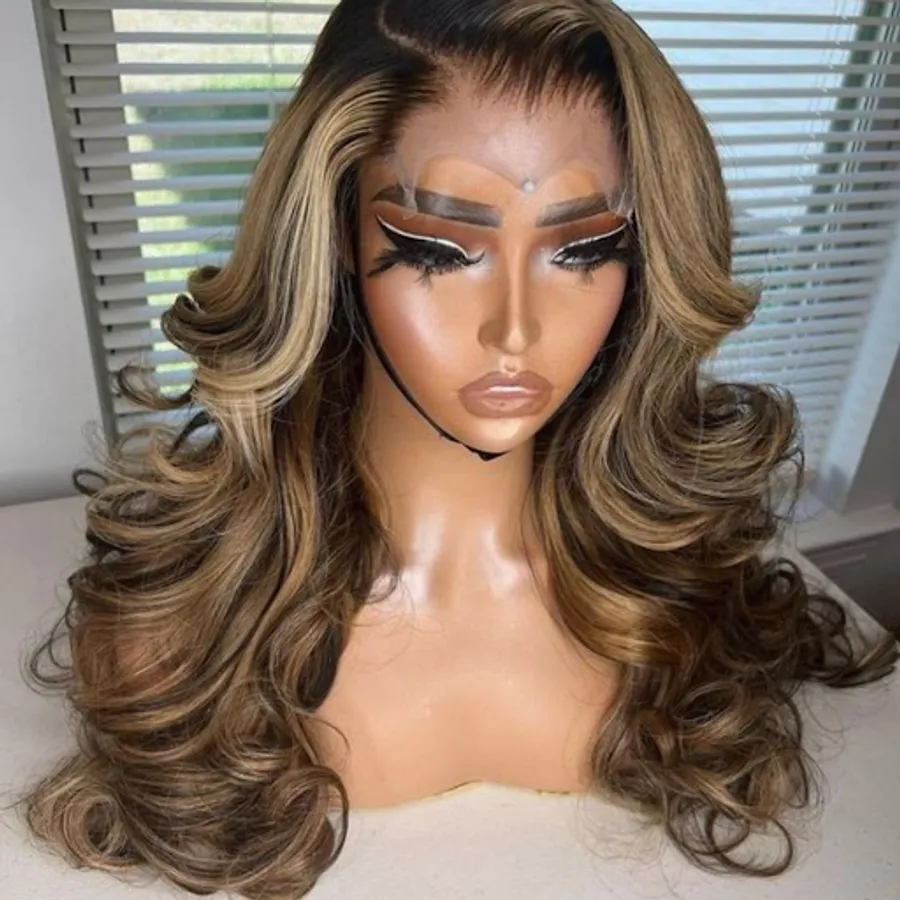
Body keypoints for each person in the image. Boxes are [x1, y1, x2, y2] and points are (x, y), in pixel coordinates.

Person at [16, 1, 898, 898]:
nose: (514, 330)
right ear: (336, 237)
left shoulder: (675, 605)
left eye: (584, 249)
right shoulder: (183, 641)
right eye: (437, 250)